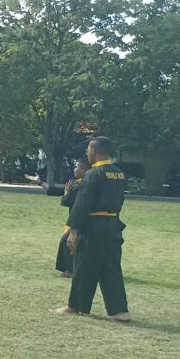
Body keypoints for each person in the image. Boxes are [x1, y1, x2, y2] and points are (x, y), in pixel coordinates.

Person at [53, 137, 131, 322]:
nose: (87, 153)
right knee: (111, 269)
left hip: (94, 227)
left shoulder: (93, 174)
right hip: (113, 225)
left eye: (88, 149)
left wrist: (73, 230)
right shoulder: (119, 174)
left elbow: (82, 204)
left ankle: (75, 306)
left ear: (94, 149)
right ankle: (120, 311)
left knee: (84, 267)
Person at [27, 159, 90, 277]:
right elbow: (55, 190)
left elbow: (66, 201)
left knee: (67, 242)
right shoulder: (76, 183)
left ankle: (70, 271)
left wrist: (66, 193)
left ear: (83, 170)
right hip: (79, 220)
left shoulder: (82, 185)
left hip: (81, 221)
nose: (74, 169)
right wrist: (40, 182)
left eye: (77, 167)